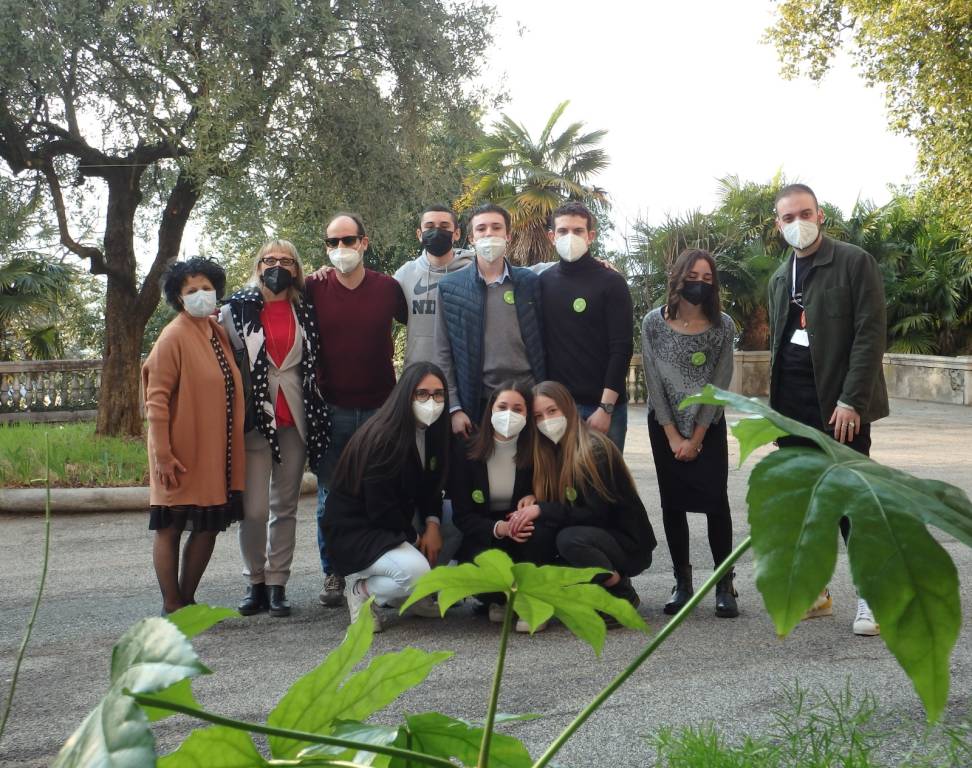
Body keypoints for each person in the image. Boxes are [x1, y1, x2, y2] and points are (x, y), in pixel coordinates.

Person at [769, 183, 889, 636]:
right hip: (793, 404)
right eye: (787, 217)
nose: (797, 223)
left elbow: (869, 334)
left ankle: (872, 595)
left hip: (839, 405)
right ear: (778, 224)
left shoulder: (854, 262)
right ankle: (816, 592)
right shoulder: (781, 276)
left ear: (820, 215)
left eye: (805, 213)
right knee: (807, 503)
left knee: (851, 502)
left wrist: (851, 400)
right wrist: (776, 418)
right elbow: (779, 349)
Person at [220, 240, 331, 618]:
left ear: (297, 269)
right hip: (255, 420)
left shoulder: (307, 309)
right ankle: (254, 581)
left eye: (286, 261)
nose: (277, 266)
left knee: (284, 507)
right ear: (258, 265)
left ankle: (277, 584)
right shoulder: (235, 310)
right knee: (253, 509)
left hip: (296, 416)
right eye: (270, 260)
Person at [305, 212, 408, 608]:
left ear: (364, 242)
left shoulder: (388, 288)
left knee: (384, 489)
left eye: (348, 240)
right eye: (333, 243)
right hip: (331, 409)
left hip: (383, 408)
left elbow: (422, 310)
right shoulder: (313, 287)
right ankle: (333, 571)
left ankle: (384, 568)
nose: (340, 249)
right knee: (331, 494)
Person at [507, 381, 657, 631]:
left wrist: (543, 509)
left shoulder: (594, 449)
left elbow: (597, 514)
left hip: (624, 544)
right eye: (538, 416)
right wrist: (531, 497)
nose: (546, 420)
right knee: (535, 528)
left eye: (552, 411)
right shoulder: (544, 450)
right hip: (590, 534)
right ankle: (541, 598)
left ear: (567, 408)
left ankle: (620, 590)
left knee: (570, 539)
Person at [143, 257, 244, 615]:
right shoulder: (173, 336)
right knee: (170, 527)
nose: (201, 294)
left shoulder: (214, 331)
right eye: (191, 290)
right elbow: (155, 401)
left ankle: (187, 600)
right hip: (179, 453)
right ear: (178, 297)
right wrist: (162, 454)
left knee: (207, 526)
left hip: (213, 453)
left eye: (206, 288)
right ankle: (172, 603)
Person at [641, 249, 738, 617]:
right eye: (693, 277)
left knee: (716, 503)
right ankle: (682, 582)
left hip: (707, 426)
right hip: (664, 426)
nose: (699, 284)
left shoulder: (723, 326)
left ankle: (725, 583)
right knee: (673, 503)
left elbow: (719, 383)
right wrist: (672, 436)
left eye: (707, 279)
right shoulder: (653, 323)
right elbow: (653, 381)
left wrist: (695, 438)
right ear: (678, 278)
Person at [321, 362, 451, 632]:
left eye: (438, 394)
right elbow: (380, 507)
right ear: (406, 394)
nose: (432, 401)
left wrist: (433, 524)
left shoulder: (434, 431)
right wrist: (417, 539)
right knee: (415, 573)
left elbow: (432, 487)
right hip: (359, 529)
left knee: (453, 525)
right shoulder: (384, 437)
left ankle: (414, 599)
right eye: (422, 393)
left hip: (395, 520)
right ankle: (362, 591)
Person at [448, 380, 558, 629]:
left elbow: (554, 493)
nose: (509, 414)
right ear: (490, 411)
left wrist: (535, 499)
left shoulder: (538, 449)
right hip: (486, 531)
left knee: (539, 536)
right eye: (502, 406)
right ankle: (498, 599)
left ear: (528, 415)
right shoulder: (467, 451)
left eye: (518, 409)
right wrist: (499, 528)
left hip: (523, 528)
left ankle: (533, 602)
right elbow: (462, 515)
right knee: (478, 567)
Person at [434, 203, 546, 438]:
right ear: (472, 238)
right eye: (481, 229)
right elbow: (443, 353)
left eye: (496, 228)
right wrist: (454, 408)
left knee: (528, 471)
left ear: (508, 236)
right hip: (478, 402)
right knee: (481, 472)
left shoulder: (529, 283)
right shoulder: (449, 288)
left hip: (529, 397)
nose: (489, 234)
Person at [540, 202, 633, 450]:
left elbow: (622, 348)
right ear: (552, 236)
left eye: (578, 230)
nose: (570, 237)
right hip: (557, 409)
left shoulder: (611, 282)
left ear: (590, 236)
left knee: (604, 486)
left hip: (603, 409)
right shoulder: (542, 283)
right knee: (560, 486)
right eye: (562, 231)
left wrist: (606, 407)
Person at [395, 205, 474, 368]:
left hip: (463, 371)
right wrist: (333, 274)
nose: (437, 231)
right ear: (419, 234)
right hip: (419, 372)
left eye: (444, 227)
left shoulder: (474, 270)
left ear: (457, 233)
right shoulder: (405, 274)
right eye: (429, 227)